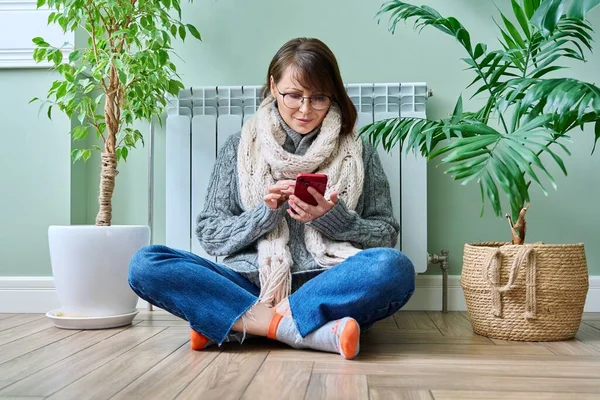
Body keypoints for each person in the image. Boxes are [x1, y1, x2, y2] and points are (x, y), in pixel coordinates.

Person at [128, 37, 415, 360]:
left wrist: (332, 218)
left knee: (395, 268)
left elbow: (385, 233)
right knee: (146, 263)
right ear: (273, 86)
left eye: (318, 98)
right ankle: (301, 330)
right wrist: (264, 215)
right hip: (250, 283)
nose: (305, 109)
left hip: (330, 284)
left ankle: (239, 322)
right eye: (293, 95)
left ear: (332, 95)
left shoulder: (359, 152)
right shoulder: (238, 147)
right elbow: (210, 233)